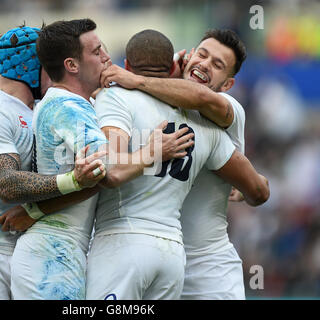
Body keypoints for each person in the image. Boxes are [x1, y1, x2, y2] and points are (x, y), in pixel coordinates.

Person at [8, 19, 193, 300]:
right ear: (72, 65)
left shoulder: (77, 103)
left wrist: (172, 71)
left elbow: (87, 182)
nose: (107, 57)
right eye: (97, 52)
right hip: (51, 257)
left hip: (60, 249)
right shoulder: (69, 107)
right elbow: (106, 171)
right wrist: (154, 150)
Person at [85, 29, 269, 300]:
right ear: (186, 58)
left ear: (227, 85)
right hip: (170, 257)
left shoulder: (226, 110)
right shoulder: (158, 102)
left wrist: (135, 79)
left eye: (217, 65)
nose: (205, 64)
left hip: (208, 266)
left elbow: (201, 98)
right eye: (202, 55)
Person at [0, 25, 106, 300]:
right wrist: (75, 180)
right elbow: (7, 184)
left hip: (27, 252)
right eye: (48, 64)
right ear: (31, 66)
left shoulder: (40, 111)